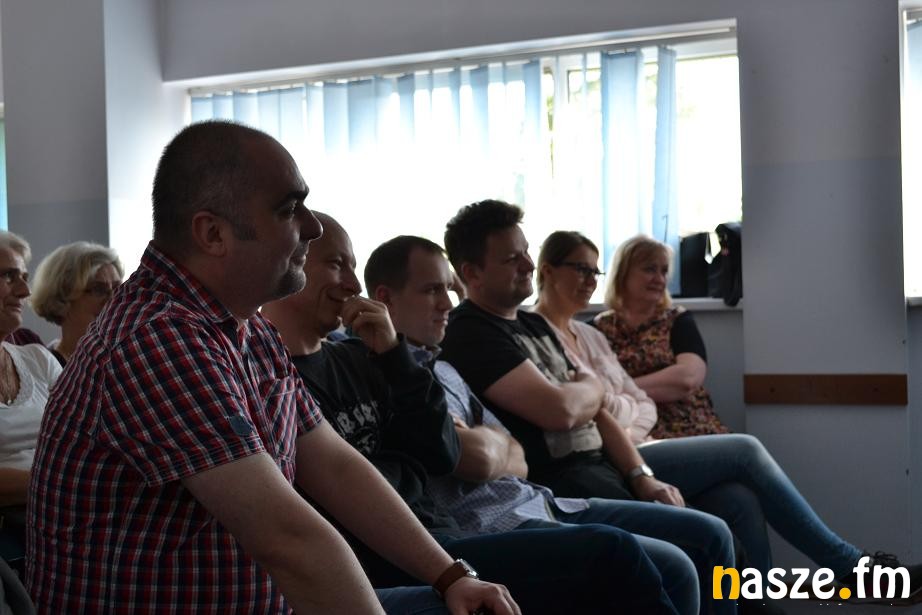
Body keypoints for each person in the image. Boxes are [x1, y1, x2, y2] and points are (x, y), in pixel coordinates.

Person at [26, 121, 517, 615]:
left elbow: (335, 466)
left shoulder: (246, 326)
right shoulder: (155, 338)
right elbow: (288, 539)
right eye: (289, 209)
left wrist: (451, 576)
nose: (313, 227)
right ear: (213, 233)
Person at [262, 215, 685, 615]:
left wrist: (394, 356)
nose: (354, 285)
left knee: (677, 550)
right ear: (290, 264)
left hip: (445, 533)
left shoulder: (366, 357)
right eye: (336, 264)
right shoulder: (272, 377)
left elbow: (441, 452)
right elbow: (347, 482)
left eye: (353, 267)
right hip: (390, 553)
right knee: (615, 552)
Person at [534, 229, 922, 598]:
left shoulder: (600, 334)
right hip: (624, 454)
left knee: (739, 499)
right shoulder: (559, 331)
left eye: (594, 271)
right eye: (581, 269)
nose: (590, 279)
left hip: (650, 440)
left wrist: (623, 404)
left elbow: (656, 393)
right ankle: (848, 566)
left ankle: (757, 602)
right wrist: (622, 407)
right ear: (549, 271)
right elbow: (598, 408)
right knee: (745, 450)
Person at [435, 202, 749, 614]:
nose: (529, 265)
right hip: (566, 478)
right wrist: (589, 389)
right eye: (512, 259)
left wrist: (641, 476)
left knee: (727, 513)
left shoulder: (533, 324)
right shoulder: (471, 332)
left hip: (604, 462)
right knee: (703, 541)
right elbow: (562, 410)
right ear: (471, 273)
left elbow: (597, 407)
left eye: (527, 252)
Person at [593, 234, 727, 439]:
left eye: (663, 271)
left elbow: (687, 379)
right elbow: (591, 388)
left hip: (690, 424)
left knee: (745, 449)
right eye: (650, 269)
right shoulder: (597, 329)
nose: (659, 279)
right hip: (635, 431)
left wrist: (619, 391)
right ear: (623, 273)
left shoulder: (677, 319)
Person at [0, 231, 63, 571]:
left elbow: (84, 446)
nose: (25, 291)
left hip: (55, 526)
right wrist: (63, 481)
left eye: (24, 277)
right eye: (9, 276)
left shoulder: (38, 360)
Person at [30, 241, 124, 366]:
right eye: (98, 289)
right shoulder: (44, 368)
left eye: (117, 288)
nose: (113, 299)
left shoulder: (125, 360)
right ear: (63, 297)